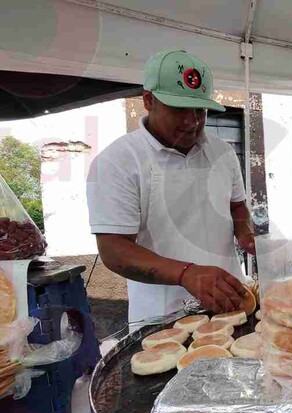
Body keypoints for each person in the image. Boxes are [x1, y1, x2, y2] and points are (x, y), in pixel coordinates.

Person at [86, 50, 255, 324]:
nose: (192, 122)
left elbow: (237, 204)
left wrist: (245, 233)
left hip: (230, 304)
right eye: (179, 109)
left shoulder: (222, 152)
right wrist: (187, 273)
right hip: (162, 321)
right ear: (149, 100)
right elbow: (114, 250)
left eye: (200, 110)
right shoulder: (117, 162)